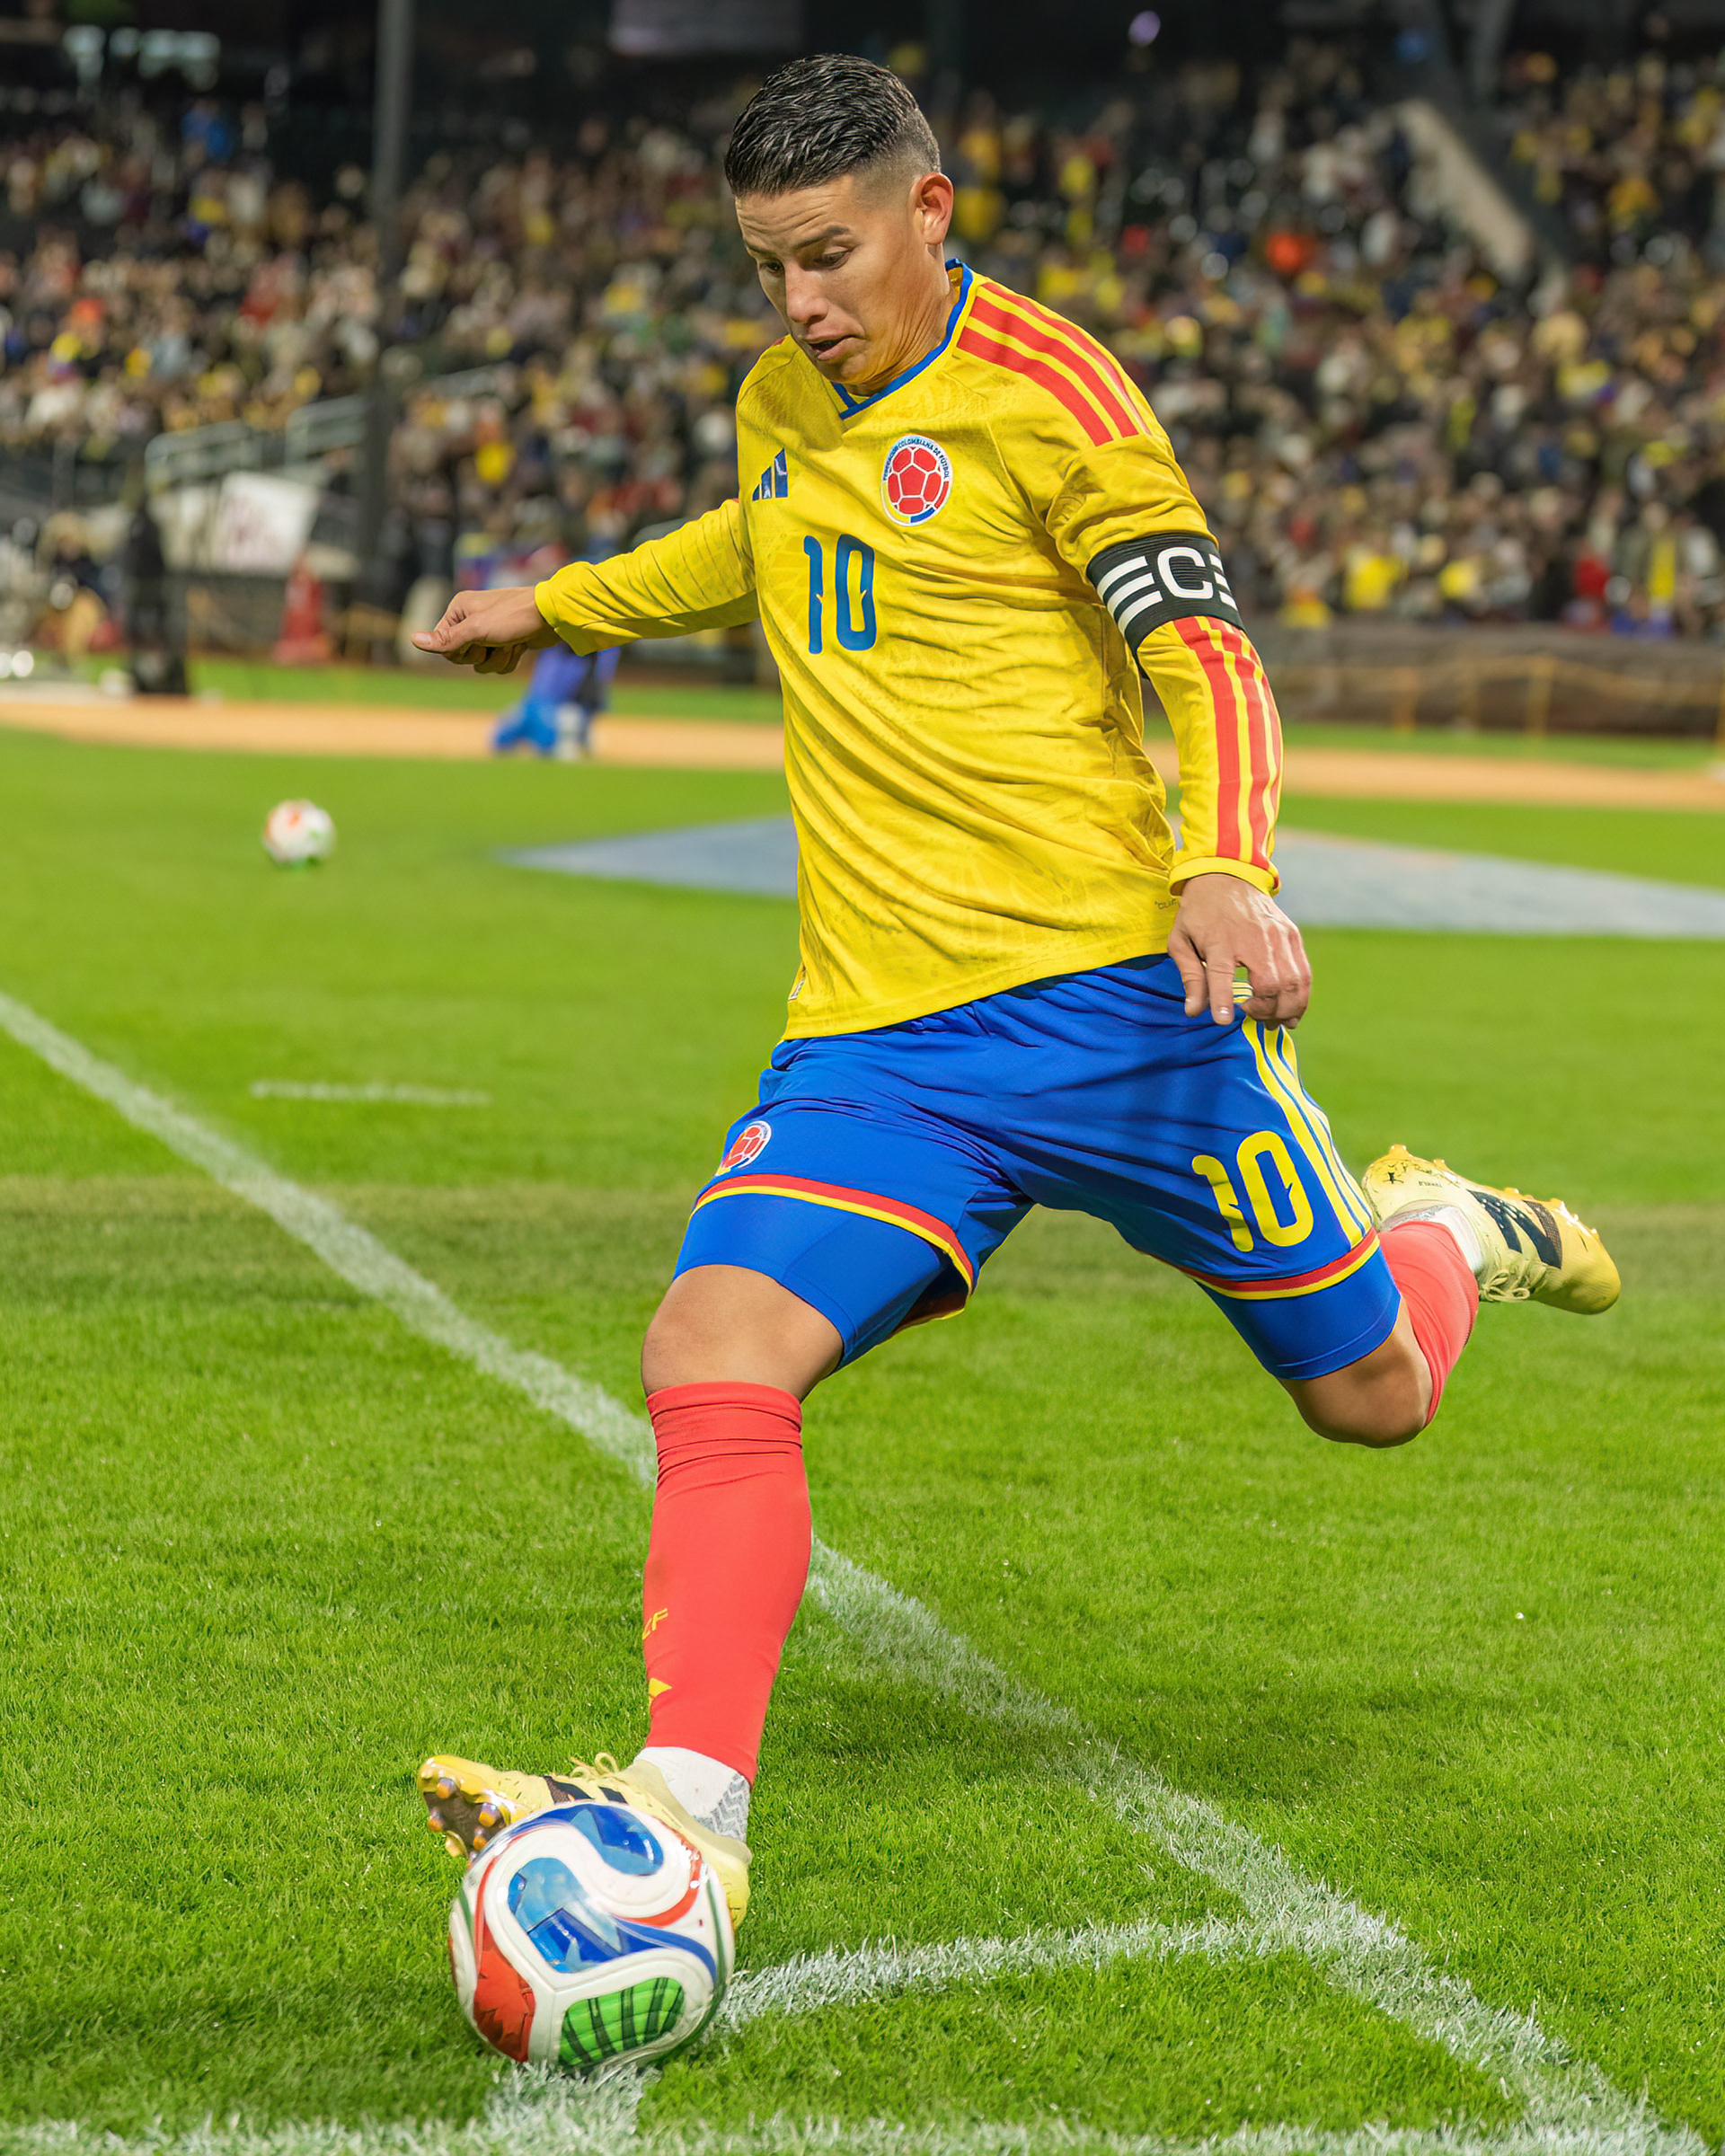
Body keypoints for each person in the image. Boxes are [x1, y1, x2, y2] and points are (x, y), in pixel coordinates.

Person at [406, 55, 1619, 1932]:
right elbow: (769, 541)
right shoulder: (782, 397)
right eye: (766, 267)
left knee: (1374, 1398)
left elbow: (1203, 652)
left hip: (1125, 1018)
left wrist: (1227, 860)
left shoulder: (1057, 399)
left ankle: (1447, 1226)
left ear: (928, 211)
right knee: (712, 1352)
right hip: (879, 1043)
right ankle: (683, 1821)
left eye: (826, 256)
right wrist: (564, 605)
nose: (800, 303)